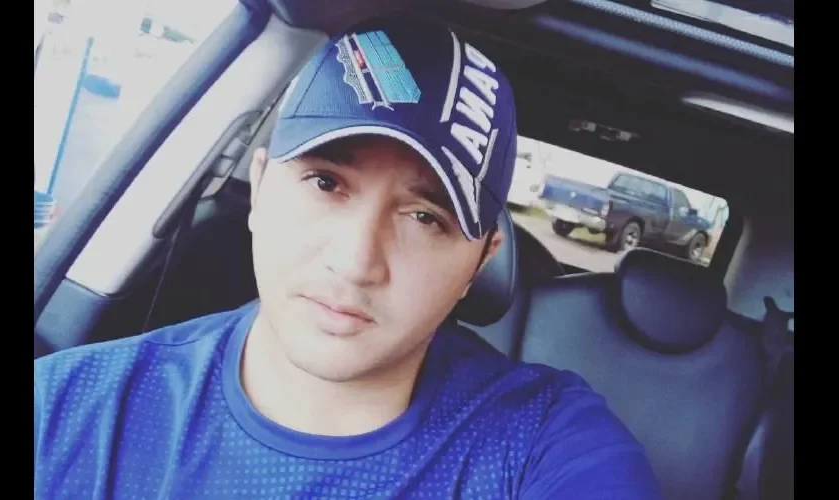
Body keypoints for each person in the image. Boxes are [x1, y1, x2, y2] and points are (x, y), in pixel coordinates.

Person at [34, 15, 662, 499]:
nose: (358, 262)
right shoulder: (69, 408)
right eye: (326, 183)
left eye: (425, 218)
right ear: (260, 188)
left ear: (479, 263)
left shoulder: (540, 443)